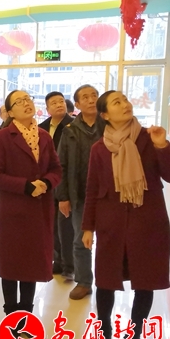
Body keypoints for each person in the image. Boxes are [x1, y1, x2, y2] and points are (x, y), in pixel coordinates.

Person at [82, 90, 170, 339]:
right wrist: (88, 227)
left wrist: (162, 146)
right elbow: (92, 190)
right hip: (111, 224)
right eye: (117, 102)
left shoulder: (149, 138)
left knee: (144, 283)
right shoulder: (99, 149)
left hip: (147, 223)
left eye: (125, 99)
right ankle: (103, 332)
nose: (125, 104)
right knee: (105, 281)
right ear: (105, 115)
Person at [0, 90, 62, 314]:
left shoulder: (44, 136)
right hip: (13, 212)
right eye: (19, 102)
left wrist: (47, 182)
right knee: (11, 265)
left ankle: (27, 313)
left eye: (28, 99)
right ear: (10, 112)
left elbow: (56, 169)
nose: (26, 103)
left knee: (32, 265)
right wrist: (26, 186)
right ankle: (11, 313)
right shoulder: (2, 137)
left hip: (39, 211)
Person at [56, 84, 105, 300]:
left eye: (94, 95)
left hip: (107, 194)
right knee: (80, 240)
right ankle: (84, 282)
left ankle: (107, 281)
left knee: (108, 240)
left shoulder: (108, 126)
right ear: (76, 104)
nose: (91, 100)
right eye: (85, 97)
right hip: (80, 194)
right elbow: (61, 165)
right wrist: (63, 196)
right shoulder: (70, 131)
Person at [38, 91, 74, 281]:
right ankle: (58, 260)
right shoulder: (41, 128)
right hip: (47, 181)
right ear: (47, 109)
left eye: (61, 101)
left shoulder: (73, 126)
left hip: (66, 181)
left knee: (66, 226)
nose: (59, 104)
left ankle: (70, 265)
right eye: (54, 102)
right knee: (51, 224)